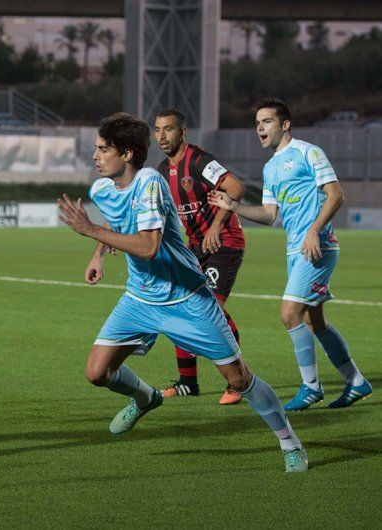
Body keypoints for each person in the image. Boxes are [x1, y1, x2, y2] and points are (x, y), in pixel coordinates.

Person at [58, 112, 307, 472]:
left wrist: (90, 231)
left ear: (127, 154)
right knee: (97, 373)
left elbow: (148, 248)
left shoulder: (150, 182)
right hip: (140, 299)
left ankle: (290, 442)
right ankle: (146, 399)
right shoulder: (101, 189)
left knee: (238, 378)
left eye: (102, 149)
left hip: (187, 298)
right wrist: (98, 254)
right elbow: (117, 218)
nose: (95, 156)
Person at [209, 98, 372, 411]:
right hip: (295, 250)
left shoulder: (308, 152)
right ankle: (355, 382)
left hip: (318, 246)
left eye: (267, 121)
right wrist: (234, 208)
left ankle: (311, 388)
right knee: (317, 322)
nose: (260, 128)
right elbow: (270, 215)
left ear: (285, 124)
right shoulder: (270, 168)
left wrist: (314, 231)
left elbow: (336, 195)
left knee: (288, 314)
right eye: (257, 123)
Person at [153, 109, 246, 405]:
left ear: (183, 133)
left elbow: (236, 187)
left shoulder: (199, 160)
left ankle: (238, 382)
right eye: (158, 130)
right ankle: (188, 383)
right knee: (179, 309)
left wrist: (216, 227)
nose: (162, 136)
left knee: (211, 312)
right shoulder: (159, 172)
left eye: (168, 129)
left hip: (224, 243)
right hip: (194, 248)